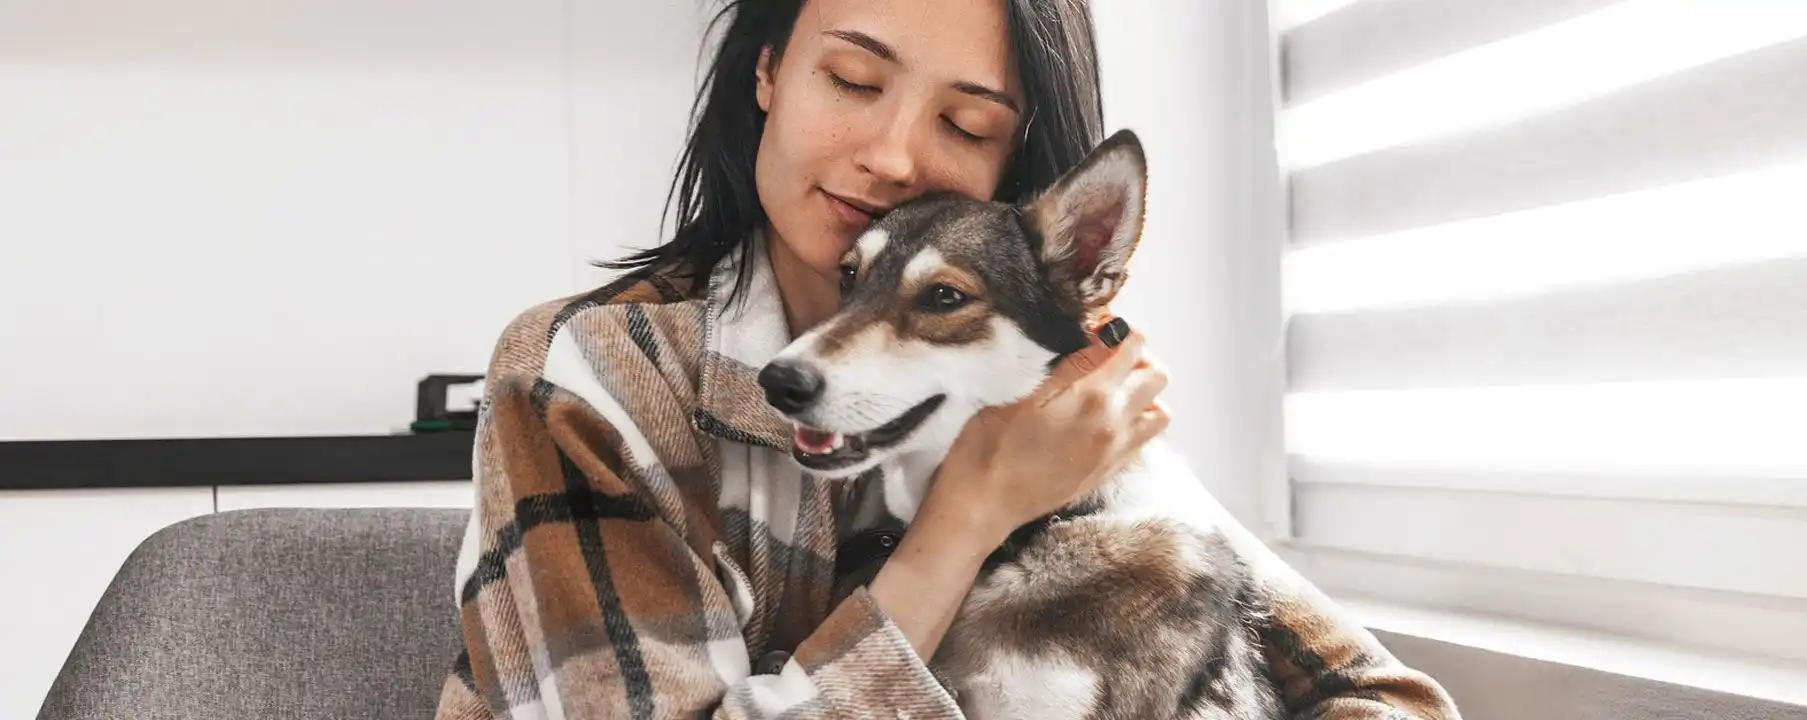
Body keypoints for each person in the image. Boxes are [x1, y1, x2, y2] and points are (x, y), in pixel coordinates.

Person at [433, 0, 1460, 718]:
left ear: (1009, 169)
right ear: (768, 70)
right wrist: (967, 518)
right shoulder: (586, 380)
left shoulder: (1051, 400)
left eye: (964, 123)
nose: (892, 156)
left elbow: (1387, 699)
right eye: (852, 77)